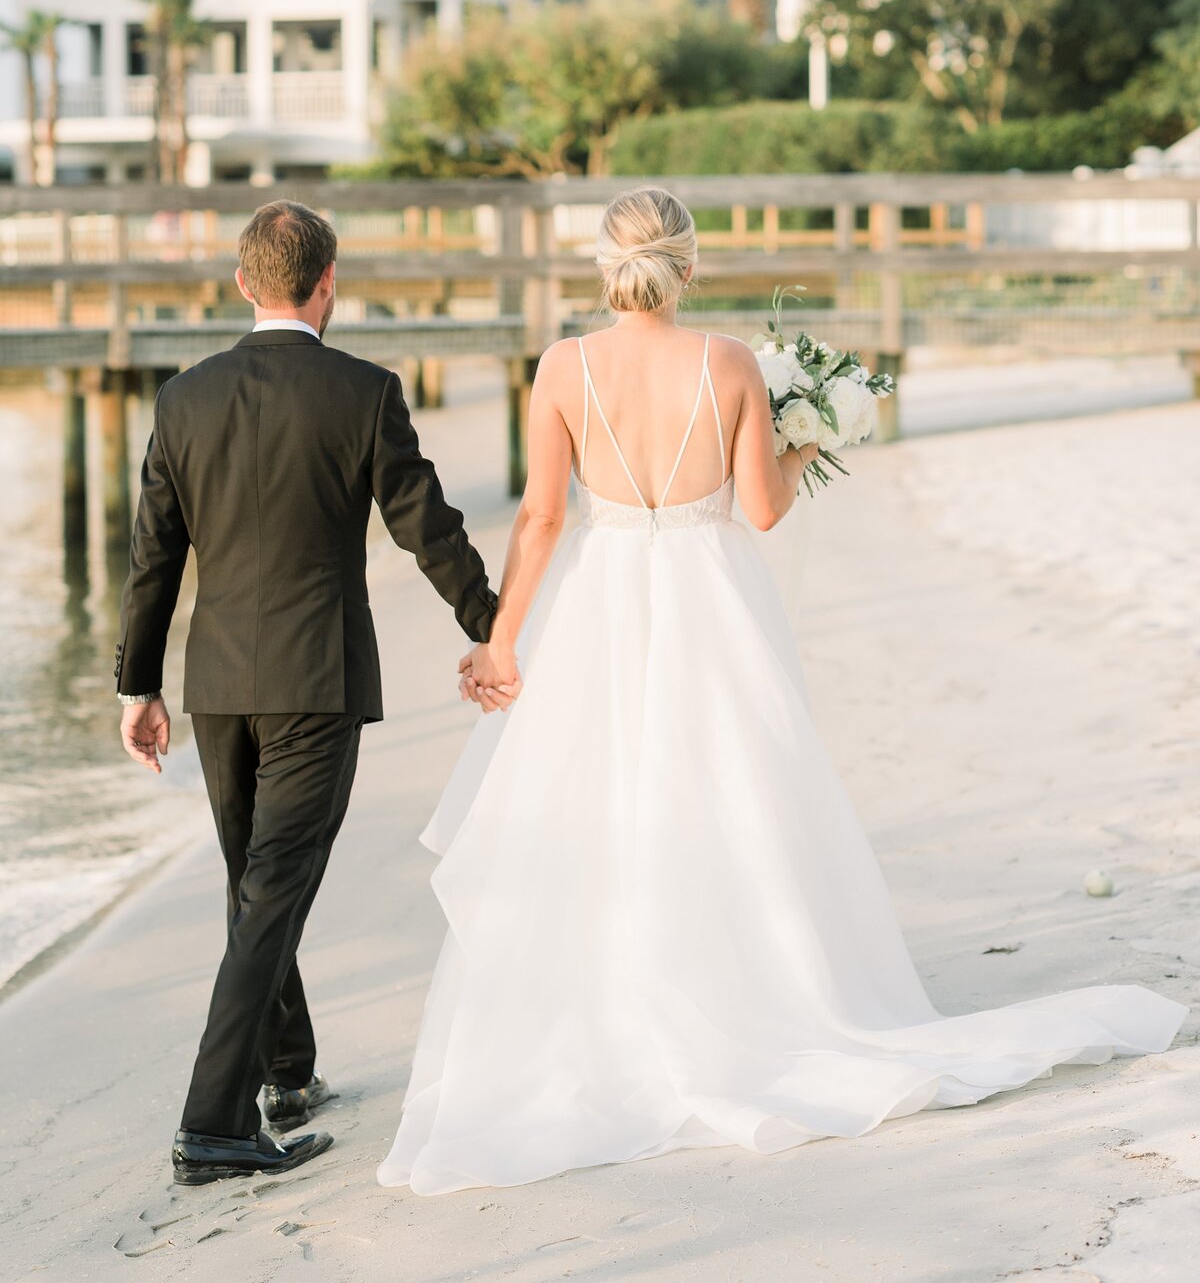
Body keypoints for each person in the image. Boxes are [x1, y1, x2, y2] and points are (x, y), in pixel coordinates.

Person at [379, 185, 1187, 1195]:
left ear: (604, 267)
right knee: (727, 792)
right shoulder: (725, 364)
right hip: (709, 600)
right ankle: (743, 985)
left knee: (597, 800)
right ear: (691, 265)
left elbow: (542, 517)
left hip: (601, 604)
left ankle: (615, 999)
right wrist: (814, 433)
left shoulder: (561, 367)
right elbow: (760, 509)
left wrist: (501, 643)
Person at [117, 199, 510, 1186]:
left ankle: (287, 1071)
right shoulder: (364, 393)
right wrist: (493, 626)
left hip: (215, 686)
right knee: (270, 891)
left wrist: (137, 686)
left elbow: (152, 560)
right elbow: (428, 527)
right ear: (327, 282)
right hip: (316, 681)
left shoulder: (183, 400)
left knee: (255, 884)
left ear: (243, 283)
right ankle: (212, 1122)